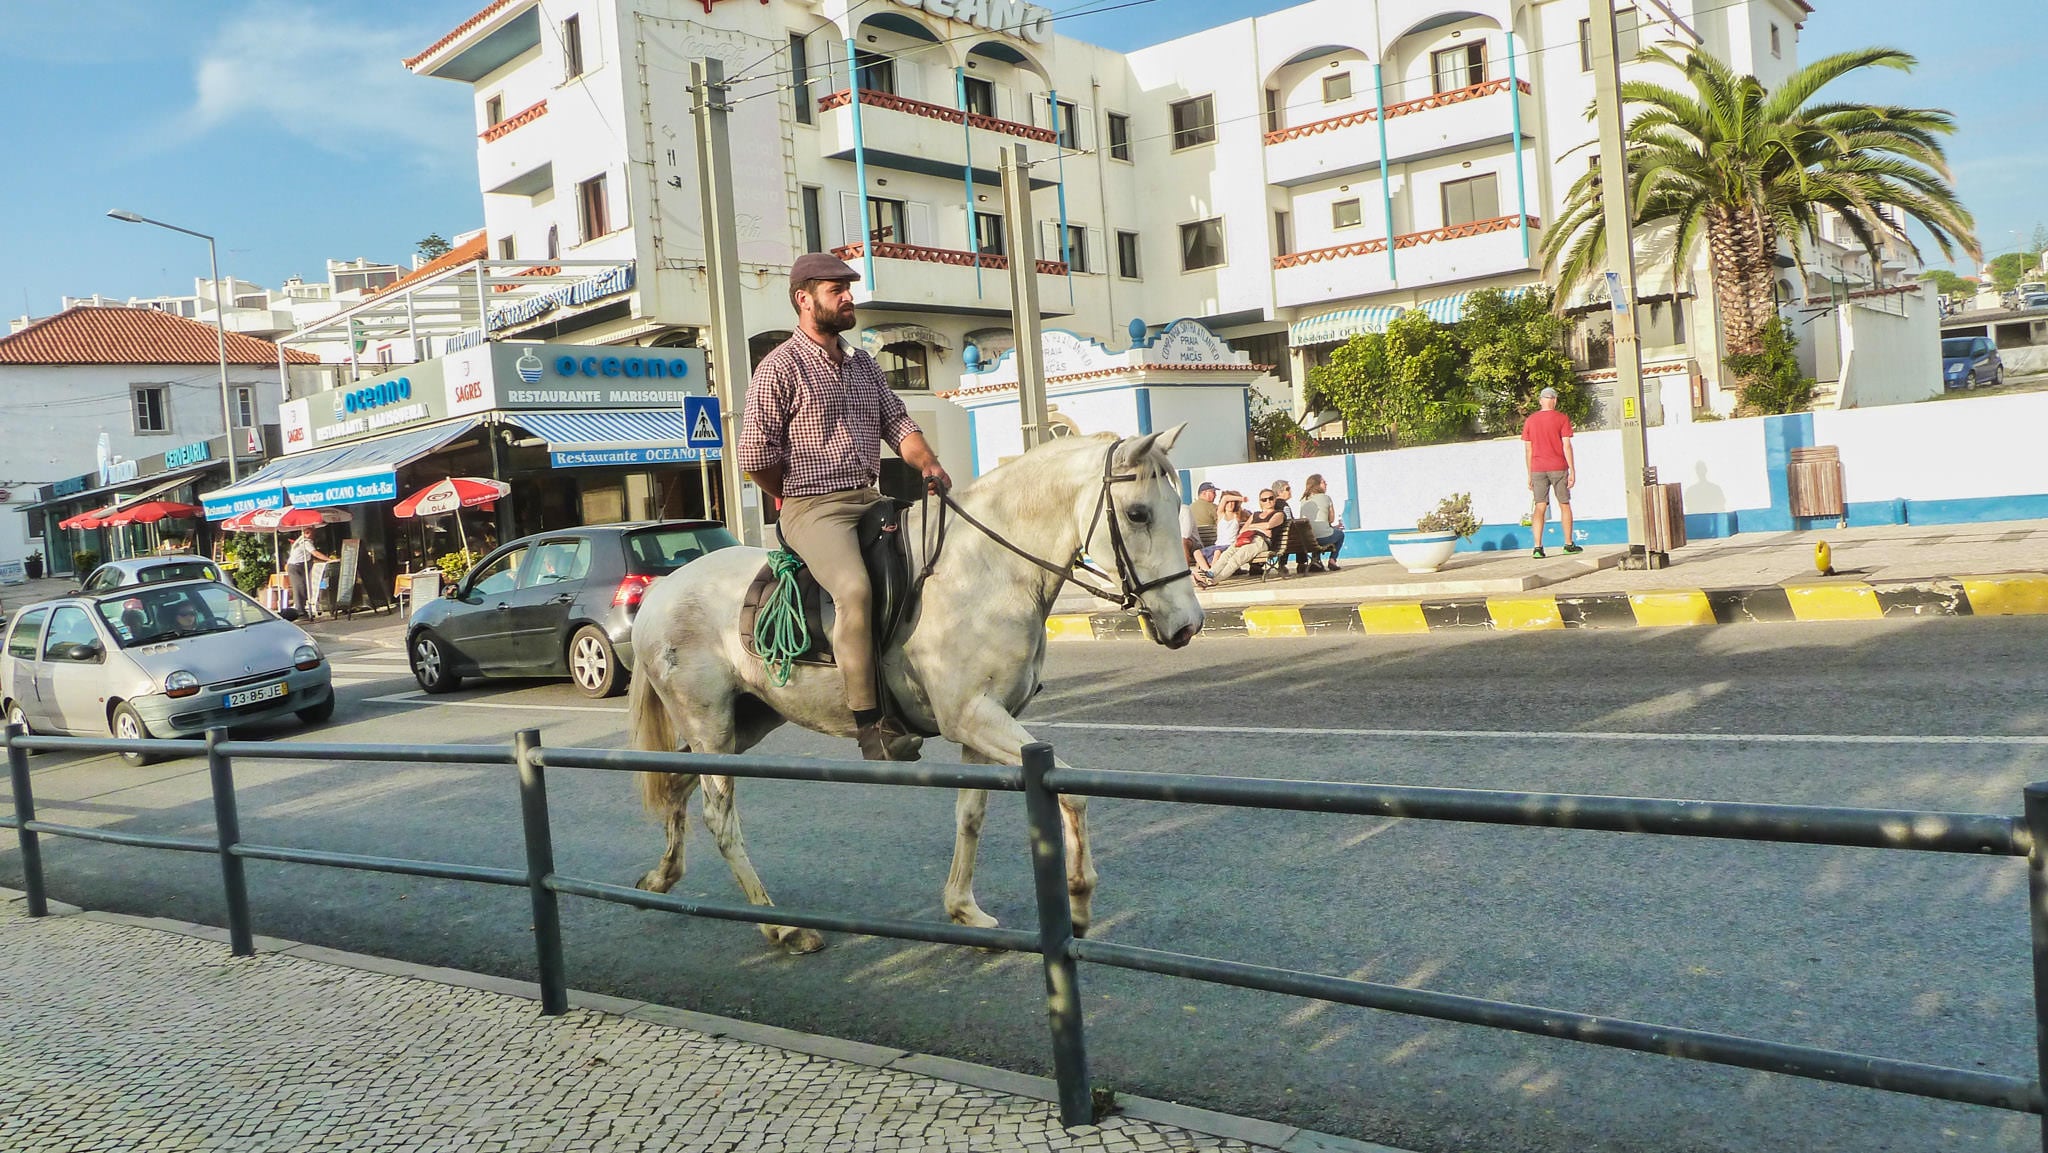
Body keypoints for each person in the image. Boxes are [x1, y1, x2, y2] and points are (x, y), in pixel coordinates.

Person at [740, 252, 951, 763]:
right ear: (804, 299)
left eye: (848, 288)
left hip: (871, 497)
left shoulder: (863, 365)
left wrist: (927, 464)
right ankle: (870, 724)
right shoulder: (779, 367)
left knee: (934, 561)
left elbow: (897, 423)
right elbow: (753, 456)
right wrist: (790, 497)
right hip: (815, 508)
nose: (848, 296)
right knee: (855, 590)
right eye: (837, 290)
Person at [1522, 386, 1582, 559]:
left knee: (1540, 506)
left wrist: (1529, 474)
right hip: (1558, 466)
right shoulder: (1562, 418)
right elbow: (1567, 445)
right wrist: (1572, 470)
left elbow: (1528, 449)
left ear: (1541, 400)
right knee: (1564, 504)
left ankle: (1537, 547)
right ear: (1555, 400)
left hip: (1537, 468)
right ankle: (1568, 544)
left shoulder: (1530, 421)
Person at [1198, 488, 1286, 587]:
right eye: (1264, 499)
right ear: (1260, 502)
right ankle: (1211, 573)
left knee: (1236, 559)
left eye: (1271, 498)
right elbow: (1242, 530)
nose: (1268, 501)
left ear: (1275, 499)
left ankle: (1213, 580)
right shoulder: (1255, 514)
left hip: (1260, 541)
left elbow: (1269, 525)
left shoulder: (1279, 514)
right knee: (1226, 555)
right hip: (1246, 538)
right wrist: (1260, 527)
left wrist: (1253, 526)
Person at [1298, 473, 1344, 571]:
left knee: (1316, 533)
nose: (1326, 484)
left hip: (1308, 540)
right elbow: (1331, 519)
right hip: (1323, 538)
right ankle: (1332, 560)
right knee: (1340, 534)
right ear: (1317, 485)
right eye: (1323, 482)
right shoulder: (1326, 498)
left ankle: (1316, 561)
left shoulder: (1303, 500)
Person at [1269, 478, 1312, 575]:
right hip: (1288, 540)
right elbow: (1289, 523)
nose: (1290, 491)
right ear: (1279, 492)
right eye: (1287, 489)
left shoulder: (1273, 505)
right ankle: (1301, 564)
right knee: (1300, 537)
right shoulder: (1284, 506)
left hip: (1276, 539)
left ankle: (1282, 564)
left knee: (1292, 538)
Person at [286, 528, 333, 614]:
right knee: (300, 587)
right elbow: (314, 553)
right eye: (310, 532)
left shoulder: (301, 541)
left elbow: (307, 556)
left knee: (305, 586)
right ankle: (300, 611)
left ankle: (303, 608)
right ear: (306, 533)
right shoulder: (305, 542)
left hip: (300, 565)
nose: (313, 535)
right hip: (296, 566)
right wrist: (329, 559)